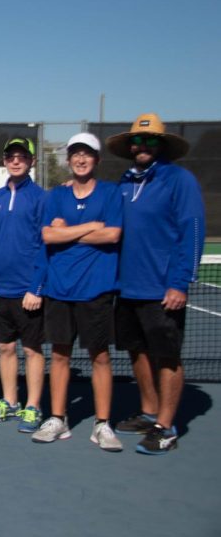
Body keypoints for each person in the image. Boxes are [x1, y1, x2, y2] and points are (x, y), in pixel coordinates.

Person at [106, 113, 204, 455]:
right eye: (137, 140)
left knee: (168, 356)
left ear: (161, 145)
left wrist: (180, 282)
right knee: (137, 350)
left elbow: (191, 230)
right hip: (126, 287)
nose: (142, 146)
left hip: (163, 289)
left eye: (149, 141)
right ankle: (149, 412)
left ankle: (166, 426)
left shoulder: (180, 180)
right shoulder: (125, 181)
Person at [34, 133, 123, 451]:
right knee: (59, 355)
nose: (81, 159)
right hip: (60, 289)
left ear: (97, 160)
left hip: (96, 290)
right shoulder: (54, 196)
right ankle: (58, 418)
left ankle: (102, 424)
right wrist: (89, 227)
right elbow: (47, 235)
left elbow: (112, 235)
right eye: (75, 154)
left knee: (99, 356)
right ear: (69, 159)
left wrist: (66, 232)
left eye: (87, 154)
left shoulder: (111, 193)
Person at [0, 137, 47, 433]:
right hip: (0, 290)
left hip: (28, 292)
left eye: (21, 156)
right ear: (4, 161)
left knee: (31, 350)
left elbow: (46, 246)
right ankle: (9, 401)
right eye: (10, 156)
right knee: (4, 348)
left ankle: (33, 407)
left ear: (32, 161)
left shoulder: (42, 198)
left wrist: (37, 288)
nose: (15, 161)